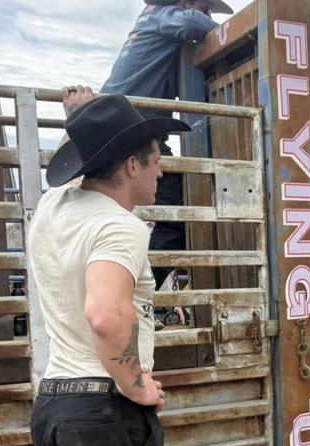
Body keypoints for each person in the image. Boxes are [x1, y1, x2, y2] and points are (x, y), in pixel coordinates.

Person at [27, 93, 185, 446]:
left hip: (56, 407)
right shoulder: (119, 227)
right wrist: (136, 382)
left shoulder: (53, 210)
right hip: (104, 414)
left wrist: (86, 117)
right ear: (130, 165)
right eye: (157, 157)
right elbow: (106, 316)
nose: (162, 169)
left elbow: (78, 165)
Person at [101, 0, 232, 290]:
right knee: (178, 217)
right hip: (131, 126)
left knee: (174, 211)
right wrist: (235, 33)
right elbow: (194, 24)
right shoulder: (163, 18)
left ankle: (131, 288)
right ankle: (134, 292)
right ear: (186, 3)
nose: (208, 15)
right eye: (205, 7)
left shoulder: (153, 22)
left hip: (131, 125)